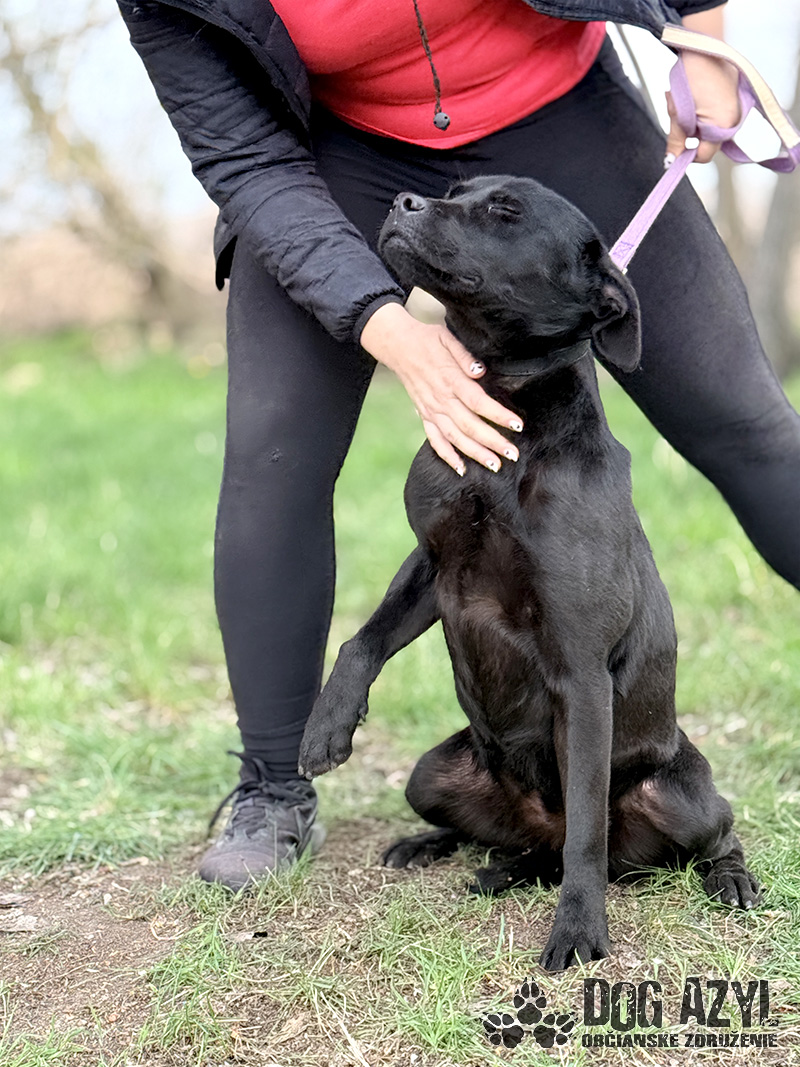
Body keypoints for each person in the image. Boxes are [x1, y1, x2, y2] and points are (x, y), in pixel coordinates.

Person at [116, 0, 800, 891]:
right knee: (270, 455)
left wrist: (704, 40)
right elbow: (244, 157)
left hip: (555, 103)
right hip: (341, 146)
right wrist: (385, 325)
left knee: (742, 417)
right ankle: (273, 788)